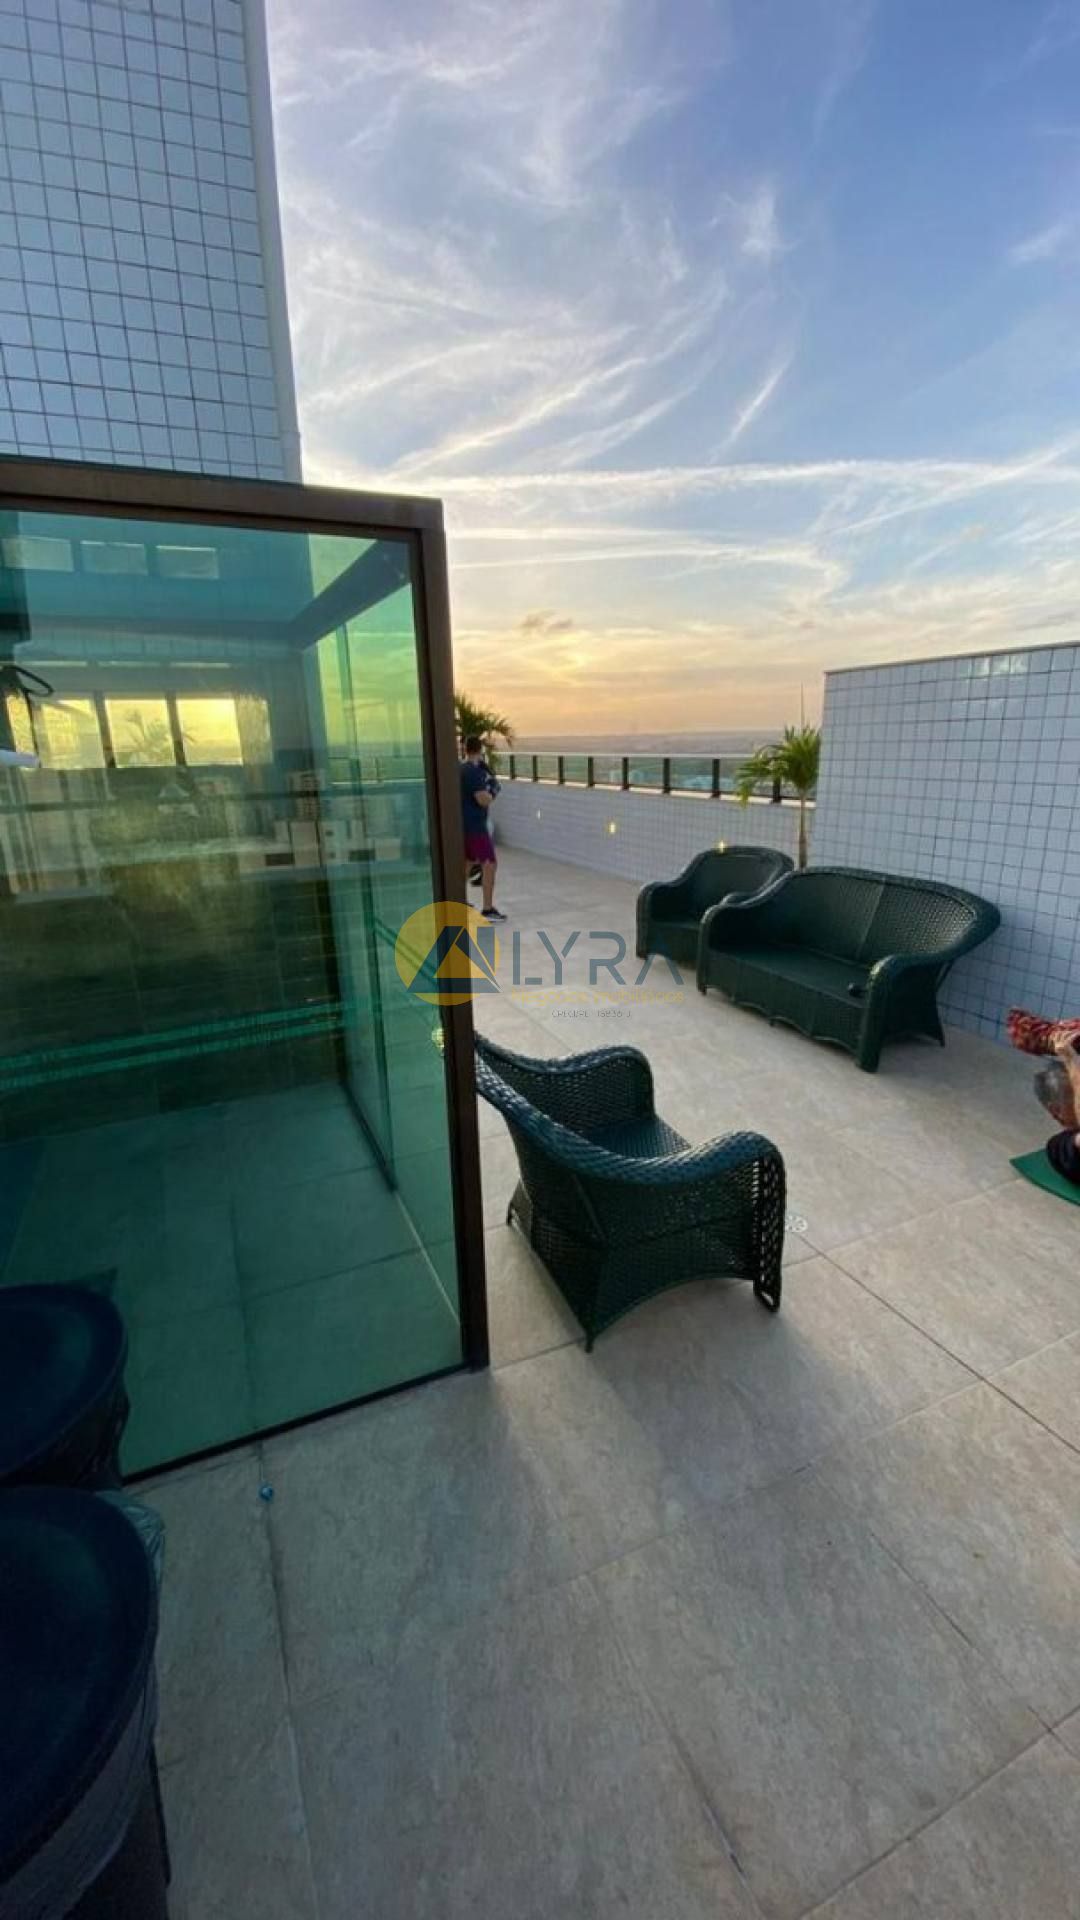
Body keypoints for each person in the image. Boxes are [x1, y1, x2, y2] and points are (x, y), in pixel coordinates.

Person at [460, 735, 505, 921]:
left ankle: (459, 901)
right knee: (489, 864)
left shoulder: (461, 769)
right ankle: (488, 909)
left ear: (465, 749)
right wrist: (494, 790)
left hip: (464, 825)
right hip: (476, 827)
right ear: (480, 750)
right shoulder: (473, 772)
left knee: (468, 862)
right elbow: (483, 799)